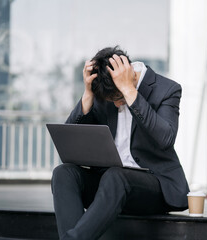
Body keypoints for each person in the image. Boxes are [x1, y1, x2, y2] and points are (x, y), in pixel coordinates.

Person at [51, 46, 189, 240]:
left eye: (117, 98)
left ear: (130, 75)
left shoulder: (167, 89)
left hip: (151, 187)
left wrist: (129, 91)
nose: (115, 104)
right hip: (108, 189)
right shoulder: (104, 91)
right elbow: (69, 143)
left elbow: (165, 138)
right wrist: (88, 95)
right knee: (63, 173)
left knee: (116, 176)